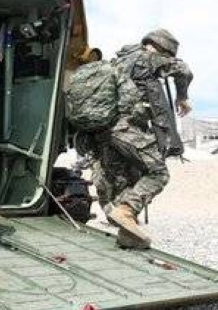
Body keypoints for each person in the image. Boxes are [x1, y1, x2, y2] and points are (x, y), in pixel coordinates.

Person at [64, 47, 169, 249]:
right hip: (120, 130)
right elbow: (131, 101)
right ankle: (126, 210)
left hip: (95, 136)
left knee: (118, 179)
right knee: (158, 173)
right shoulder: (114, 69)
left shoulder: (77, 78)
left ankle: (127, 235)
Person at [113, 28, 193, 158]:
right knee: (155, 169)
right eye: (167, 54)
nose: (167, 58)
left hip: (108, 129)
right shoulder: (148, 58)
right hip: (131, 131)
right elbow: (184, 70)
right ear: (160, 46)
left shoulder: (120, 61)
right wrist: (181, 98)